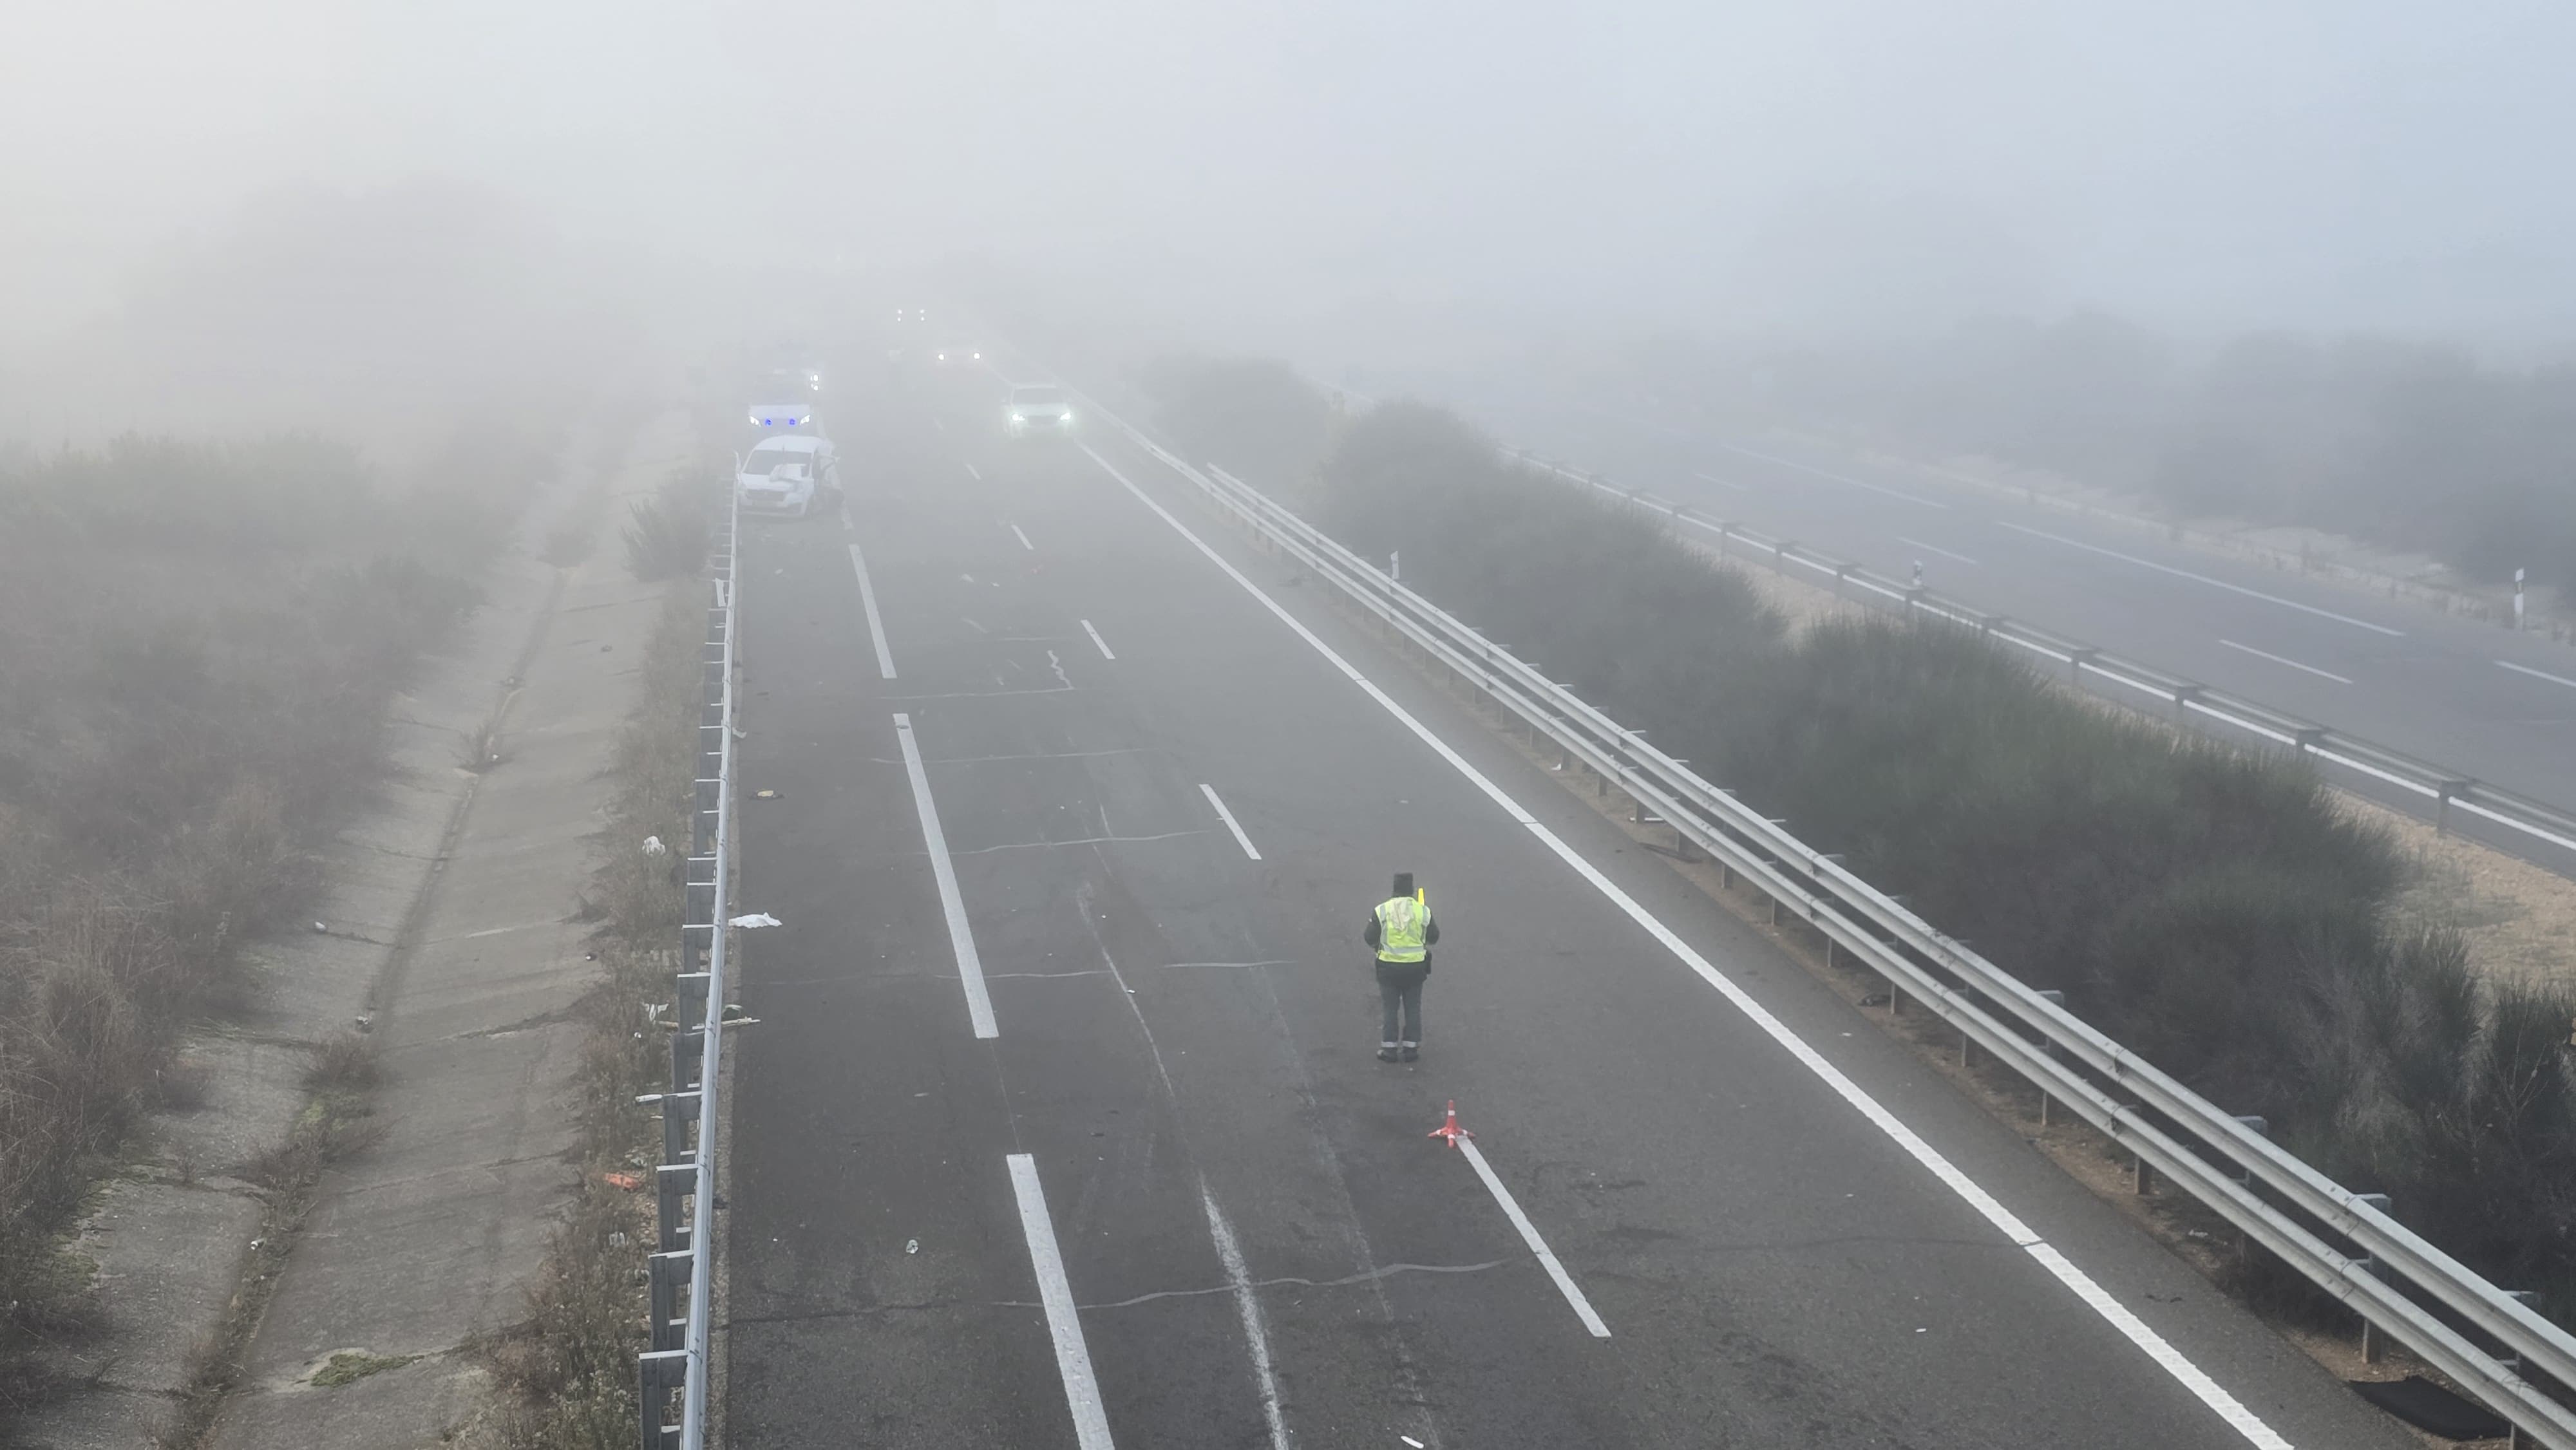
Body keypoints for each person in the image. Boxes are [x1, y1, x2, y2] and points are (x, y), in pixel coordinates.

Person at [1363, 872, 1439, 1062]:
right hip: (1415, 968)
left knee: (1390, 1008)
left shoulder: (1382, 910)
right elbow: (1433, 937)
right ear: (1412, 890)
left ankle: (1389, 1049)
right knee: (1413, 1007)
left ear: (1394, 889)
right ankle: (1411, 1049)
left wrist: (1379, 947)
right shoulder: (1422, 911)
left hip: (1388, 968)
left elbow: (1369, 937)